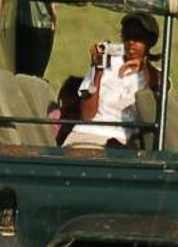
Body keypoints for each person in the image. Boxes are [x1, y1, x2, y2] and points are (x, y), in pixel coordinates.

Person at [64, 14, 163, 148]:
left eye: (138, 37)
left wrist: (143, 65)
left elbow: (160, 86)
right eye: (127, 36)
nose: (131, 42)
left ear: (150, 42)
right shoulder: (107, 64)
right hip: (86, 133)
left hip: (121, 139)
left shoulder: (153, 74)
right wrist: (98, 69)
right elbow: (87, 115)